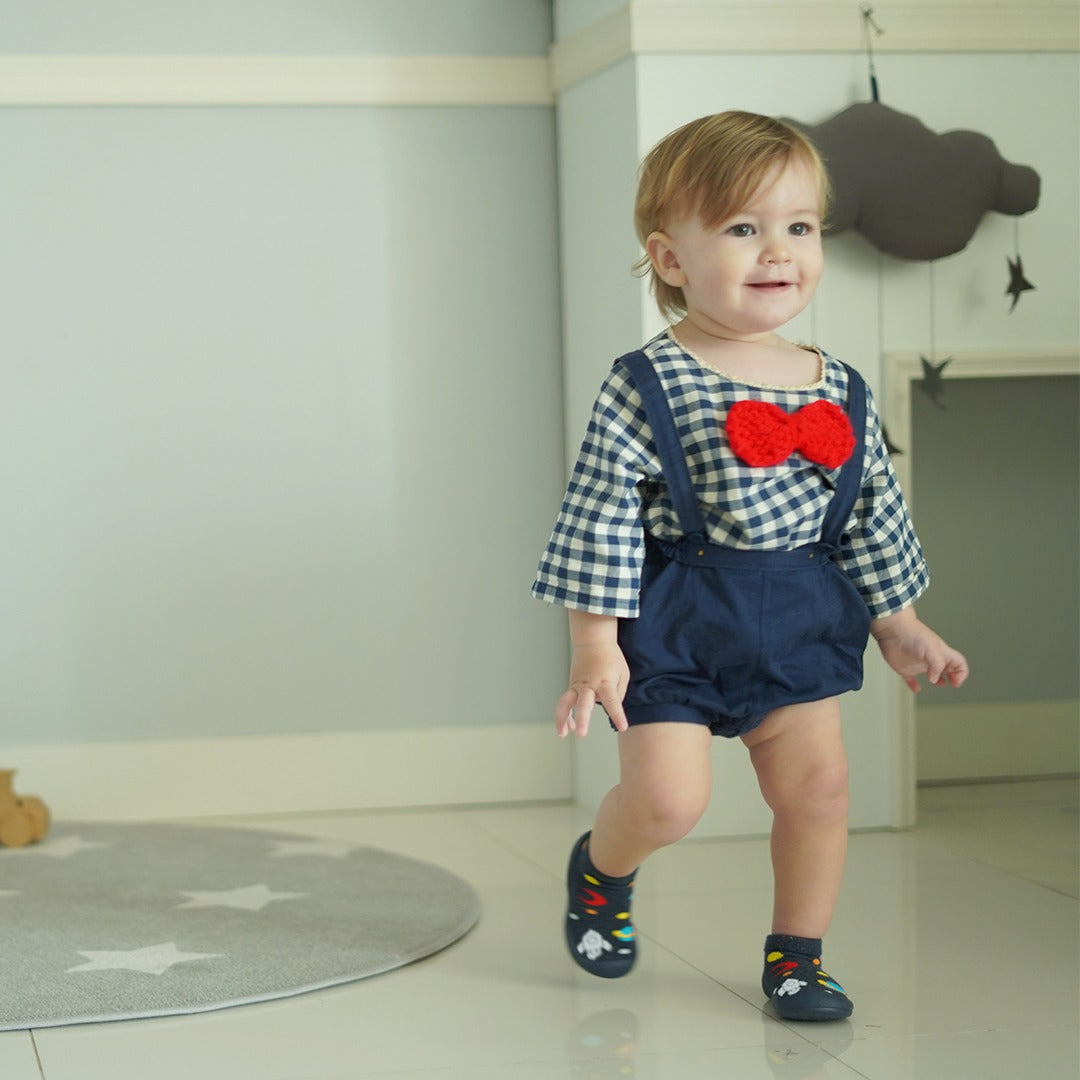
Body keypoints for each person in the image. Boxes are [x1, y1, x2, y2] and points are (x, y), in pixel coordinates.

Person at [531, 110, 969, 1022]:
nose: (778, 251)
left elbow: (868, 512)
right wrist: (593, 645)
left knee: (818, 789)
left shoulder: (835, 384)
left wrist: (899, 620)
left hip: (802, 611)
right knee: (667, 799)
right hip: (680, 615)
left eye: (798, 227)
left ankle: (797, 958)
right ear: (671, 257)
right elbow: (602, 516)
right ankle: (602, 870)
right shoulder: (646, 380)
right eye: (743, 228)